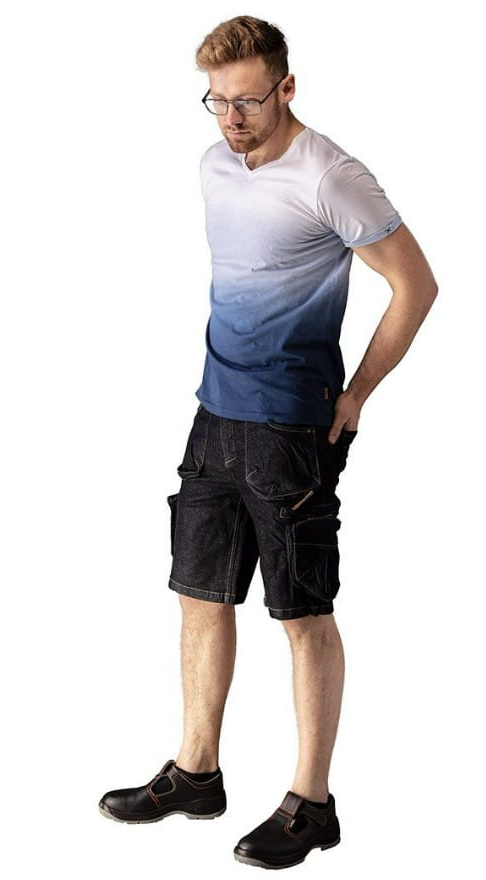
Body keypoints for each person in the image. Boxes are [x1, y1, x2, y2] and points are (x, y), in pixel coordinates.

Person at [99, 15, 438, 870]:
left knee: (300, 612)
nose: (231, 118)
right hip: (213, 414)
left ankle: (310, 804)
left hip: (291, 426)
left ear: (286, 87)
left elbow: (415, 285)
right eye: (216, 101)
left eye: (248, 100)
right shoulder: (213, 163)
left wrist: (356, 394)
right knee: (198, 594)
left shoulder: (331, 175)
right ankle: (196, 772)